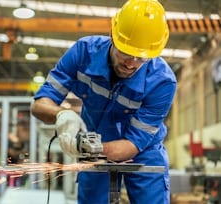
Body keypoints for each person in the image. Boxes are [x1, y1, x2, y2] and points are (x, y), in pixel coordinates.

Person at [30, 0, 177, 203]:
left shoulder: (162, 82)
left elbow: (131, 145)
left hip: (144, 149)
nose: (131, 64)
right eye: (125, 52)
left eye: (141, 57)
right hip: (94, 142)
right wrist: (62, 114)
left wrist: (85, 147)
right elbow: (39, 104)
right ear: (112, 35)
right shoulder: (82, 54)